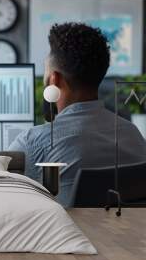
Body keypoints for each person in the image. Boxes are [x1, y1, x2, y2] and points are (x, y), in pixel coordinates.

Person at [9, 22, 146, 207]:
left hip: (61, 236)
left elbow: (1, 202)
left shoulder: (33, 143)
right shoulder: (133, 135)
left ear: (54, 79)